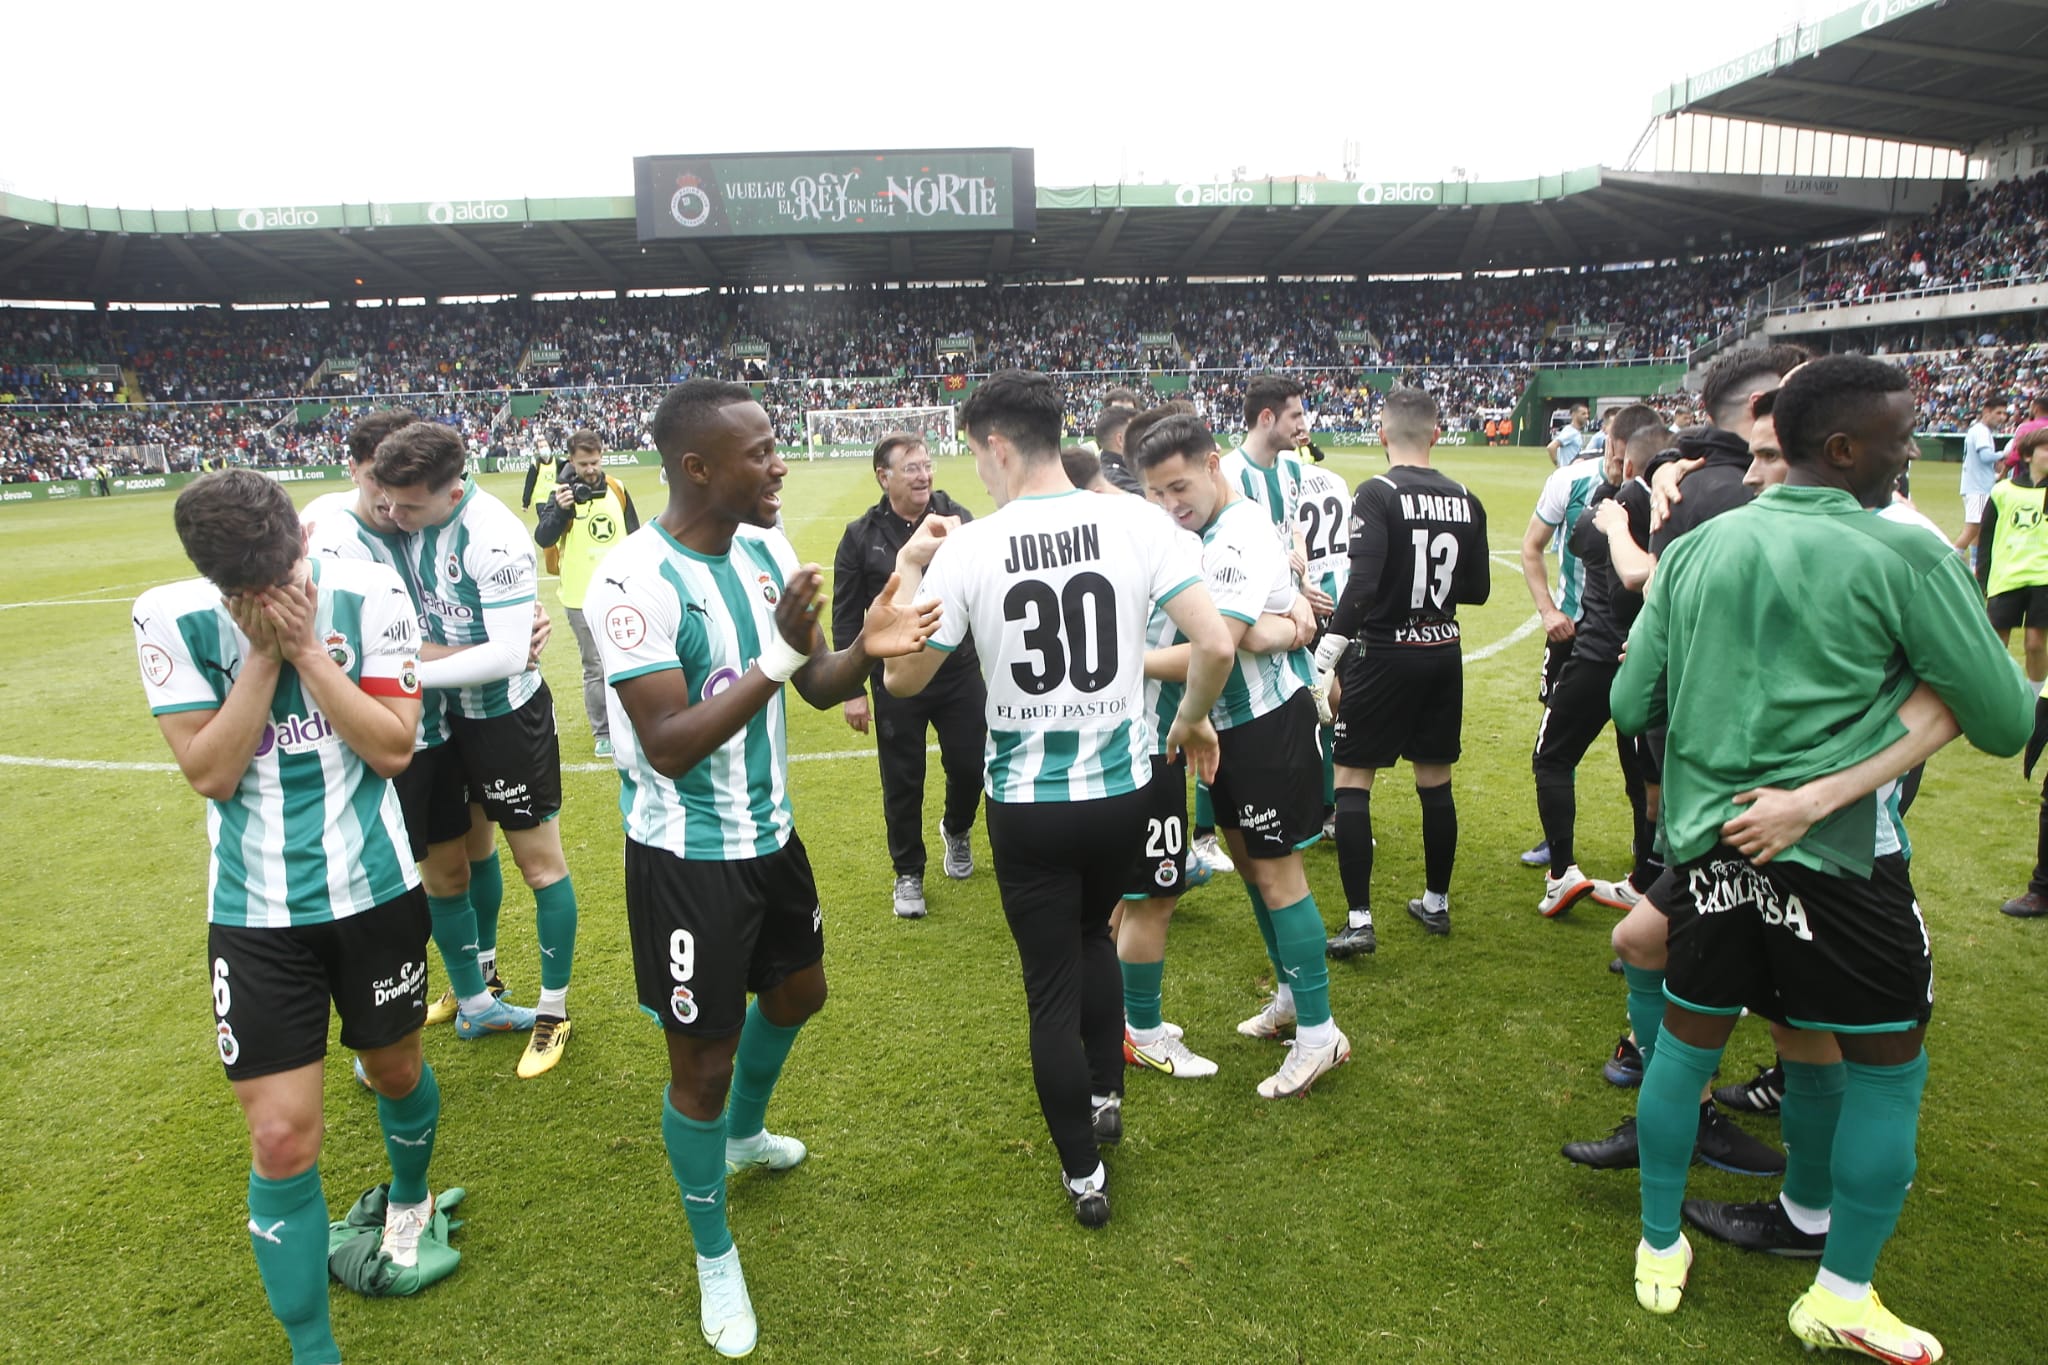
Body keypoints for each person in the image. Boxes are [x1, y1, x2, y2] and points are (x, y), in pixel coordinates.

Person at [1612, 355, 2032, 1358]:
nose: (1911, 451)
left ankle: (1659, 1244)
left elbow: (1630, 705)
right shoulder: (1904, 555)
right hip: (1842, 857)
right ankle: (1839, 1292)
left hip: (1711, 846)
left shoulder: (1696, 550)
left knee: (1687, 1047)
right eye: (1898, 436)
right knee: (1885, 1069)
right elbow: (2007, 717)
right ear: (1842, 448)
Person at [583, 377, 939, 1357]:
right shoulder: (630, 582)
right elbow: (666, 743)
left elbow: (817, 686)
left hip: (771, 839)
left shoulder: (767, 548)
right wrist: (780, 663)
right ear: (696, 468)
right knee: (697, 1065)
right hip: (686, 861)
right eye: (760, 452)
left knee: (798, 996)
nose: (780, 463)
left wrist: (862, 646)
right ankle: (712, 1252)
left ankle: (743, 1137)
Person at [882, 370, 1233, 1229]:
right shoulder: (1138, 520)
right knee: (1097, 933)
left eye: (974, 454)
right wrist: (1187, 722)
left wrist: (905, 568)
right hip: (1122, 785)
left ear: (997, 447)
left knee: (1049, 985)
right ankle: (1107, 1093)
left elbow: (902, 676)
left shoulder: (970, 546)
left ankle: (1084, 1174)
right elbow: (1215, 642)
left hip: (1029, 800)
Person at [135, 469, 445, 1363]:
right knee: (279, 1135)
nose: (268, 598)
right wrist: (264, 652)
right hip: (253, 910)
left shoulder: (372, 587)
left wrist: (310, 650)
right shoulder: (172, 615)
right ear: (212, 579)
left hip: (376, 891)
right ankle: (315, 1350)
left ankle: (409, 1194)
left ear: (304, 544)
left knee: (394, 1071)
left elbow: (393, 747)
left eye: (282, 574)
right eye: (245, 592)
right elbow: (210, 770)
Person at [305, 410, 537, 1053]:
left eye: (405, 490)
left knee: (466, 859)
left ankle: (475, 993)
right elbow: (366, 659)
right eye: (381, 481)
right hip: (390, 739)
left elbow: (446, 616)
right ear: (357, 469)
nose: (393, 501)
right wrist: (499, 645)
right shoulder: (336, 540)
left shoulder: (415, 520)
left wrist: (515, 632)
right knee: (392, 884)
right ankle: (381, 1036)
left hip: (449, 724)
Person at [1135, 413, 1345, 1098]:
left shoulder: (1239, 528)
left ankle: (1320, 1034)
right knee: (1253, 867)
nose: (1171, 505)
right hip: (1222, 728)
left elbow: (1215, 644)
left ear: (1212, 463)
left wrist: (1124, 662)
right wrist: (1279, 626)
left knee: (1280, 876)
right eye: (1157, 494)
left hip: (1259, 725)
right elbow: (1254, 629)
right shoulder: (1192, 531)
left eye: (1180, 486)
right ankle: (1291, 997)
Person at [374, 422, 582, 1080]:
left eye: (409, 505)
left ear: (452, 488)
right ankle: (479, 986)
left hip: (503, 719)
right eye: (390, 501)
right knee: (465, 855)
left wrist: (400, 675)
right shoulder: (400, 521)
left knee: (540, 865)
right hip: (440, 722)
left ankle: (553, 1010)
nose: (394, 515)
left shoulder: (494, 537)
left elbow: (503, 655)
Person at [1311, 387, 1490, 951]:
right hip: (1442, 652)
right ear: (1437, 434)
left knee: (1352, 781)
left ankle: (1360, 921)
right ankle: (1435, 904)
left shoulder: (1377, 493)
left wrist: (1330, 647)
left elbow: (1362, 586)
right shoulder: (1468, 498)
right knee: (1435, 782)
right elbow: (1479, 590)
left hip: (1383, 654)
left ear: (1382, 435)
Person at [831, 431, 986, 919]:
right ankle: (908, 873)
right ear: (884, 476)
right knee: (902, 778)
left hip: (958, 669)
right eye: (911, 467)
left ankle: (956, 829)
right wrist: (852, 691)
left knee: (970, 765)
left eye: (927, 465)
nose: (923, 475)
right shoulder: (860, 535)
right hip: (896, 677)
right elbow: (846, 614)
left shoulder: (958, 520)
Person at [1529, 404, 1667, 918]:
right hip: (1651, 660)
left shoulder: (1619, 500)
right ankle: (1646, 876)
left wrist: (1611, 497)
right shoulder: (1685, 503)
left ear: (1621, 451)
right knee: (1645, 777)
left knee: (1553, 756)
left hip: (1600, 654)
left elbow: (1584, 539)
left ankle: (1561, 872)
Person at [1517, 401, 1613, 869]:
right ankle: (1557, 841)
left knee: (1643, 751)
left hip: (1635, 637)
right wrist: (1548, 610)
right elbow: (1531, 546)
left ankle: (1649, 854)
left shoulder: (1663, 484)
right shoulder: (1570, 480)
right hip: (1571, 629)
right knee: (1557, 741)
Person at [535, 429, 641, 758]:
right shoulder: (561, 494)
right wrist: (562, 511)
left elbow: (636, 537)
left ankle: (634, 722)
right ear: (571, 461)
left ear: (603, 455)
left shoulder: (617, 490)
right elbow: (543, 537)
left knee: (630, 660)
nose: (590, 469)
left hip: (622, 593)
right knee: (594, 666)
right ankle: (603, 732)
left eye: (594, 462)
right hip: (580, 596)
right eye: (583, 464)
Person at [1976, 425, 2048, 690]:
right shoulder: (2003, 492)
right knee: (1997, 643)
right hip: (2006, 577)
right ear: (2028, 456)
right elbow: (1985, 539)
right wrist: (1981, 579)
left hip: (2043, 578)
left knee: (2035, 643)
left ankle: (2035, 701)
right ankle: (1998, 698)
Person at [1954, 396, 2007, 562]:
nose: (2002, 417)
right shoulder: (1981, 431)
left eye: (2004, 414)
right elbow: (1985, 457)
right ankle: (1951, 560)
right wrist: (2005, 453)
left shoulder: (1980, 431)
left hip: (1978, 486)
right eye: (1998, 413)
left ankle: (1974, 566)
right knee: (1972, 529)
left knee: (1978, 530)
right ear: (1986, 412)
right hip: (1977, 489)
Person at [519, 439, 560, 511]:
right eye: (541, 447)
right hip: (541, 500)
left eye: (545, 446)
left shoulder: (558, 463)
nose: (544, 448)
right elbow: (529, 484)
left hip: (555, 499)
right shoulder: (535, 466)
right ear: (538, 450)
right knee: (546, 520)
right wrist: (526, 503)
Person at [1547, 404, 1589, 468]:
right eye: (1583, 414)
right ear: (1574, 415)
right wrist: (1558, 465)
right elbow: (1551, 447)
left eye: (1587, 413)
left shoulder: (1575, 431)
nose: (1587, 416)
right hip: (1569, 473)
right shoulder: (1570, 432)